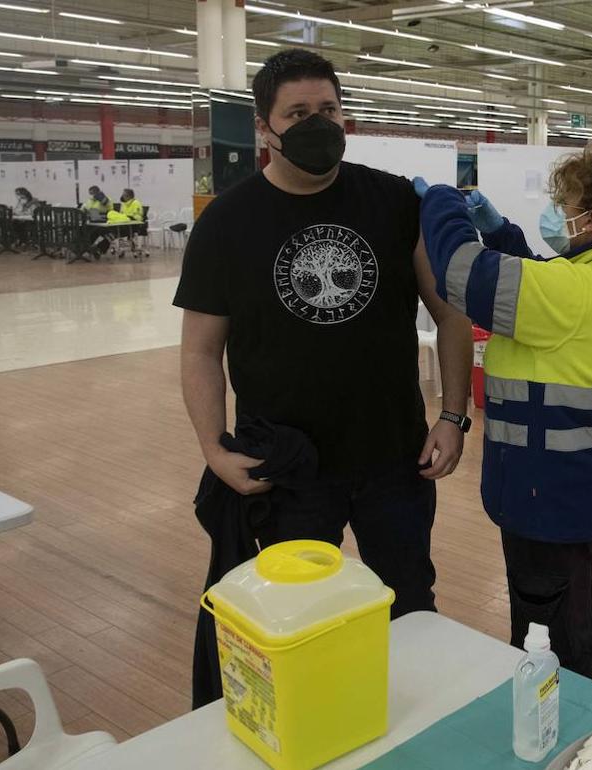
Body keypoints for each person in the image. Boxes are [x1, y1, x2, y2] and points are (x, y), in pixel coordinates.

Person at [174, 49, 473, 683]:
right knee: (301, 624)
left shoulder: (394, 201)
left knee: (411, 608)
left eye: (328, 109)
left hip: (395, 458)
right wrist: (212, 447)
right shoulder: (226, 223)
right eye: (299, 112)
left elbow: (449, 315)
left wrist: (452, 415)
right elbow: (200, 349)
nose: (318, 123)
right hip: (287, 469)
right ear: (264, 128)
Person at [415, 127, 592, 685]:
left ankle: (563, 723)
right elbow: (539, 284)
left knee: (549, 623)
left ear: (590, 220)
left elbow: (460, 272)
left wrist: (442, 202)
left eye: (565, 206)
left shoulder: (568, 293)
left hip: (546, 492)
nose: (558, 214)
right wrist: (502, 232)